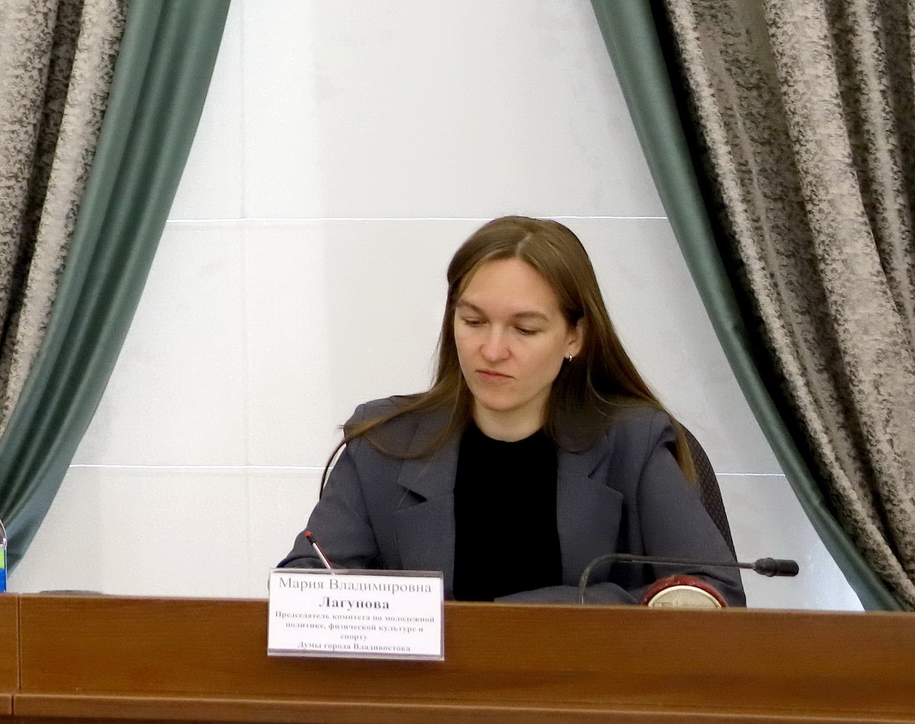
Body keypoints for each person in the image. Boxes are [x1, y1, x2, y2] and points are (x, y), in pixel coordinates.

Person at [280, 216, 740, 604]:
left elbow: (711, 593)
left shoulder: (632, 444)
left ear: (575, 337)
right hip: (427, 688)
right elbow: (305, 585)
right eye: (474, 321)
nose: (492, 350)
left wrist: (514, 619)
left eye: (524, 329)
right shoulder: (383, 442)